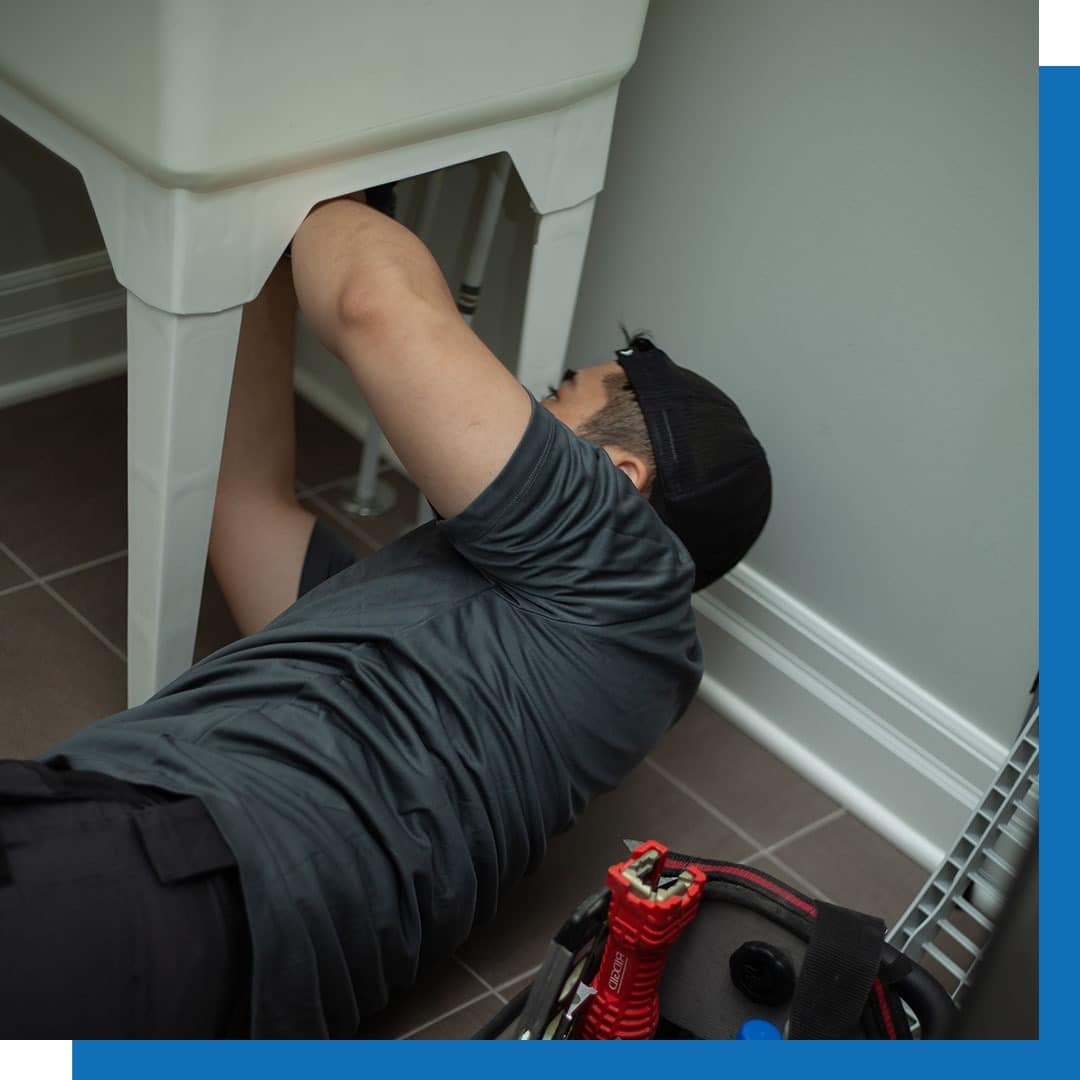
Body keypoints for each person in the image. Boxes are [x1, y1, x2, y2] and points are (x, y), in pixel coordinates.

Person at [0, 191, 771, 1038]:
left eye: (557, 395)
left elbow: (377, 304)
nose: (520, 404)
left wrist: (313, 189)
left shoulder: (620, 578)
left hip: (168, 876)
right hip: (211, 951)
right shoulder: (504, 641)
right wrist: (256, 253)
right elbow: (242, 503)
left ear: (616, 482)